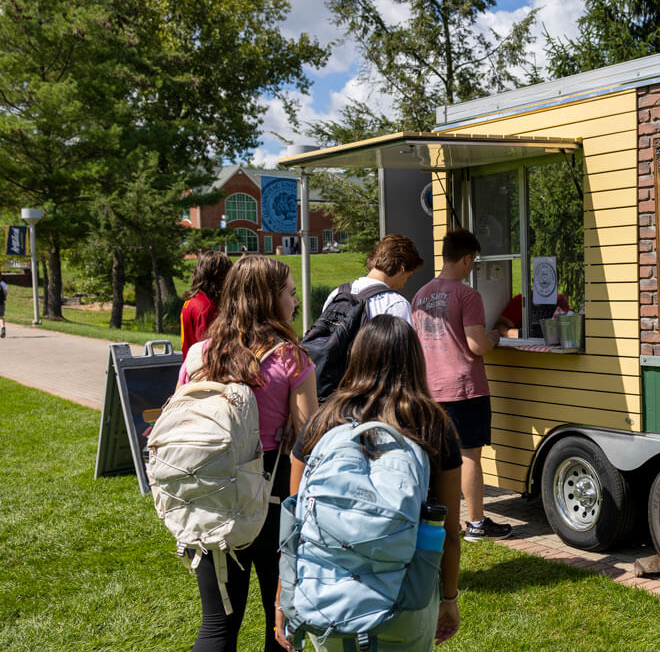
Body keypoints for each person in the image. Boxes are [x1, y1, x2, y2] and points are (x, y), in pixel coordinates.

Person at [278, 316, 463, 652]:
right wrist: (448, 598)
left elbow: (295, 526)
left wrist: (284, 597)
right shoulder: (432, 424)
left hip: (326, 598)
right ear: (414, 360)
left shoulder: (323, 420)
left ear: (356, 356)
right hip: (407, 597)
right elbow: (449, 532)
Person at [177, 255, 318, 652]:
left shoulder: (199, 355)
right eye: (290, 293)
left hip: (209, 498)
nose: (295, 302)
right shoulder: (290, 358)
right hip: (272, 500)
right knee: (282, 620)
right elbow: (309, 441)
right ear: (269, 300)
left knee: (217, 626)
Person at [411, 228, 510, 542]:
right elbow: (477, 345)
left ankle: (440, 520)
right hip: (465, 388)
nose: (473, 267)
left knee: (438, 457)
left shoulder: (420, 295)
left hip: (431, 387)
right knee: (469, 456)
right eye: (473, 261)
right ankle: (477, 524)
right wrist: (496, 334)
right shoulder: (467, 295)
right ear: (467, 258)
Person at [319, 234, 423, 324]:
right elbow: (403, 346)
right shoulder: (395, 304)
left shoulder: (337, 294)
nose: (403, 285)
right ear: (401, 268)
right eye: (408, 277)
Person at [180, 250, 232, 358]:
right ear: (220, 277)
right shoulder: (207, 308)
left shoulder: (192, 300)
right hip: (204, 370)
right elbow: (208, 349)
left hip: (190, 365)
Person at [493, 293, 569, 339]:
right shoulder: (522, 300)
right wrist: (522, 335)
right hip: (524, 355)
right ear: (533, 280)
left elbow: (568, 330)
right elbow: (499, 327)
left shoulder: (560, 300)